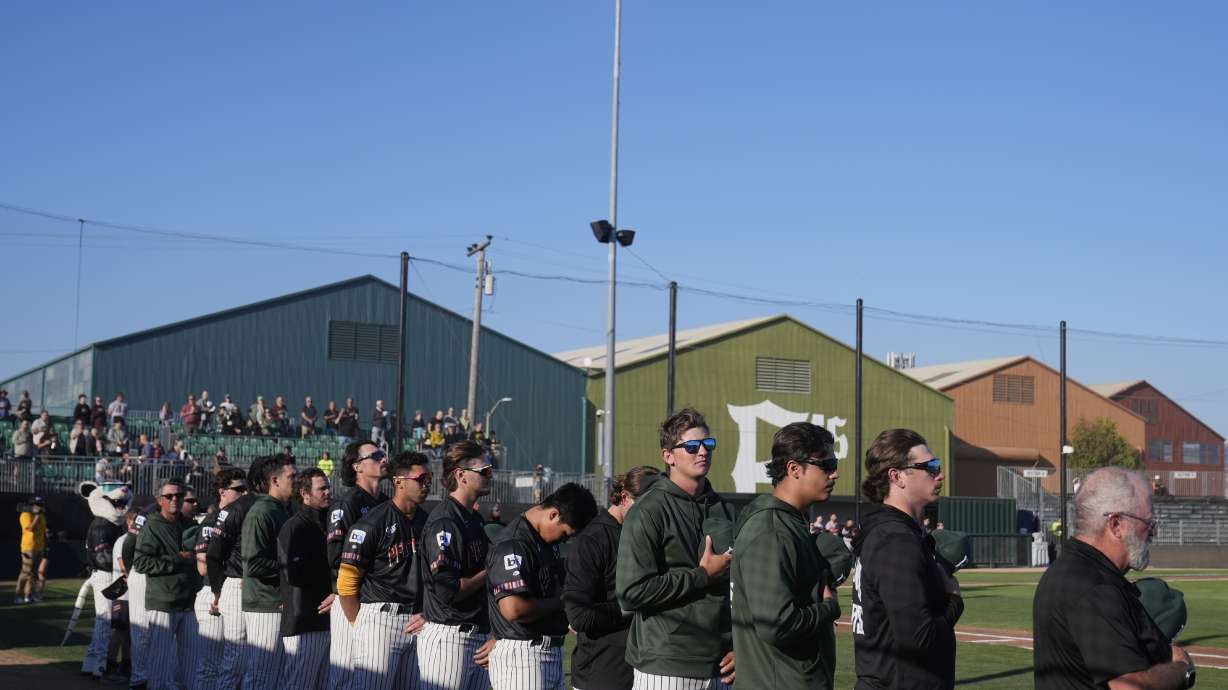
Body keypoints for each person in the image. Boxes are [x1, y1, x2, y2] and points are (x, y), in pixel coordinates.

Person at [1033, 467, 1195, 690]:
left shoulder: (1068, 569)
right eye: (1148, 524)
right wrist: (1183, 670)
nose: (1153, 533)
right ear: (1116, 524)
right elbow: (1130, 687)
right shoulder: (1095, 587)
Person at [617, 408, 737, 690]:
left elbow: (743, 589)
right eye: (692, 446)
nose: (703, 452)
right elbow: (631, 592)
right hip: (666, 665)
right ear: (668, 456)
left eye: (709, 444)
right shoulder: (649, 510)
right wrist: (702, 575)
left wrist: (741, 645)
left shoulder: (724, 508)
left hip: (721, 665)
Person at [732, 422, 843, 690]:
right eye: (826, 465)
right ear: (794, 469)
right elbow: (777, 625)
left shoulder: (787, 522)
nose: (835, 473)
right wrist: (828, 608)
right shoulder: (771, 531)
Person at [851, 428, 962, 690]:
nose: (940, 474)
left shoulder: (894, 532)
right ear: (897, 476)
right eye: (931, 467)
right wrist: (955, 600)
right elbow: (919, 638)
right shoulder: (895, 539)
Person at [486, 483, 598, 690]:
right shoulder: (514, 543)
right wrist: (564, 602)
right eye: (565, 533)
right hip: (523, 656)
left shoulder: (543, 541)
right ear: (554, 514)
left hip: (544, 651)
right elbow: (513, 608)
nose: (565, 539)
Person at [338, 451, 433, 689]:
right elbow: (347, 584)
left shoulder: (428, 522)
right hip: (381, 619)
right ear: (399, 481)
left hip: (419, 621)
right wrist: (358, 625)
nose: (427, 484)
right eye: (421, 478)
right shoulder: (373, 522)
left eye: (429, 478)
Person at [565, 465, 660, 690]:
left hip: (645, 669)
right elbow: (579, 617)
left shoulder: (647, 534)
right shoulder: (593, 540)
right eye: (649, 505)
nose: (655, 513)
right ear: (625, 497)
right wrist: (635, 603)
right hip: (602, 673)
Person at [418, 441, 496, 690]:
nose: (489, 475)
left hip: (477, 634)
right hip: (451, 637)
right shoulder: (445, 521)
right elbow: (447, 590)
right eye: (484, 470)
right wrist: (490, 572)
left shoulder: (473, 518)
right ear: (461, 475)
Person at [325, 441, 389, 687]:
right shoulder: (346, 504)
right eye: (376, 456)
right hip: (350, 597)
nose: (383, 459)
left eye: (383, 454)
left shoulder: (386, 503)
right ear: (357, 466)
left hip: (378, 602)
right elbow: (335, 556)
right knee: (345, 674)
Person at [207, 457, 268, 690]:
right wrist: (217, 592)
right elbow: (214, 555)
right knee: (235, 659)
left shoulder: (280, 506)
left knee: (260, 660)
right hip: (235, 584)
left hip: (264, 586)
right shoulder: (235, 509)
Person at [133, 479, 198, 689]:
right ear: (159, 500)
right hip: (163, 603)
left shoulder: (190, 525)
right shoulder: (151, 526)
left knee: (190, 664)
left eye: (179, 496)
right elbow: (141, 563)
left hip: (188, 602)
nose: (175, 500)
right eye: (169, 496)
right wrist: (178, 559)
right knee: (159, 665)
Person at [241, 454, 297, 689]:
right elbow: (253, 564)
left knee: (278, 675)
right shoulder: (261, 512)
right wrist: (291, 567)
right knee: (261, 675)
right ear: (275, 480)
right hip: (265, 604)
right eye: (291, 476)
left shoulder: (286, 509)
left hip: (280, 602)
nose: (297, 479)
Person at [278, 467, 333, 688]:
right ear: (304, 493)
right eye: (322, 489)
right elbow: (294, 573)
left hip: (324, 621)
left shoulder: (327, 522)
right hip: (303, 622)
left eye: (328, 487)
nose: (328, 492)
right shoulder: (295, 527)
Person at [192, 467, 247, 690]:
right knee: (210, 666)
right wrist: (220, 592)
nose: (245, 494)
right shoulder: (211, 521)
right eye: (239, 489)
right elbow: (203, 567)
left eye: (247, 488)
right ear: (223, 491)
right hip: (213, 592)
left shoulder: (239, 517)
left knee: (233, 664)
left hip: (230, 592)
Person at [83, 486, 127, 679]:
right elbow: (103, 557)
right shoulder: (102, 524)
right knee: (106, 621)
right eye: (116, 503)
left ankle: (91, 663)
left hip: (105, 574)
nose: (120, 506)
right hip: (104, 575)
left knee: (103, 621)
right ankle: (99, 666)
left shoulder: (111, 523)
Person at [110, 508, 139, 682]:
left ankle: (126, 665)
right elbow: (124, 567)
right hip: (123, 594)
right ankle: (109, 666)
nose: (137, 523)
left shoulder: (133, 539)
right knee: (119, 632)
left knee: (129, 633)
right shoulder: (123, 541)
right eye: (134, 520)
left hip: (131, 595)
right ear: (128, 521)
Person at [15, 496, 47, 604]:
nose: (40, 507)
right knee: (25, 572)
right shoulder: (25, 515)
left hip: (39, 547)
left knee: (33, 573)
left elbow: (42, 532)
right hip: (28, 547)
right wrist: (37, 517)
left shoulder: (42, 516)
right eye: (38, 505)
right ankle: (18, 595)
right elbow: (29, 529)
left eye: (41, 505)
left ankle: (28, 596)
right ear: (32, 506)